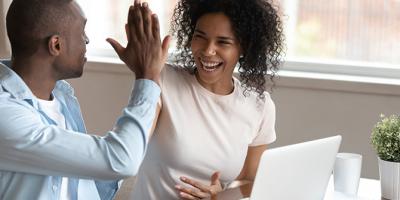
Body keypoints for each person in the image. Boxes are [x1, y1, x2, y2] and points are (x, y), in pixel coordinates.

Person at [0, 0, 170, 199]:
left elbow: (95, 185)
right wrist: (147, 77)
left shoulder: (62, 98)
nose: (87, 40)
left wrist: (150, 79)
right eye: (82, 31)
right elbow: (120, 161)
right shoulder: (5, 114)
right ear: (56, 44)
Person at [129, 0, 285, 199]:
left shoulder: (260, 107)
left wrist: (222, 195)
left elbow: (250, 179)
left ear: (243, 47)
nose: (208, 50)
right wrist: (144, 72)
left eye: (223, 42)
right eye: (200, 37)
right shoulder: (162, 79)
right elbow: (133, 146)